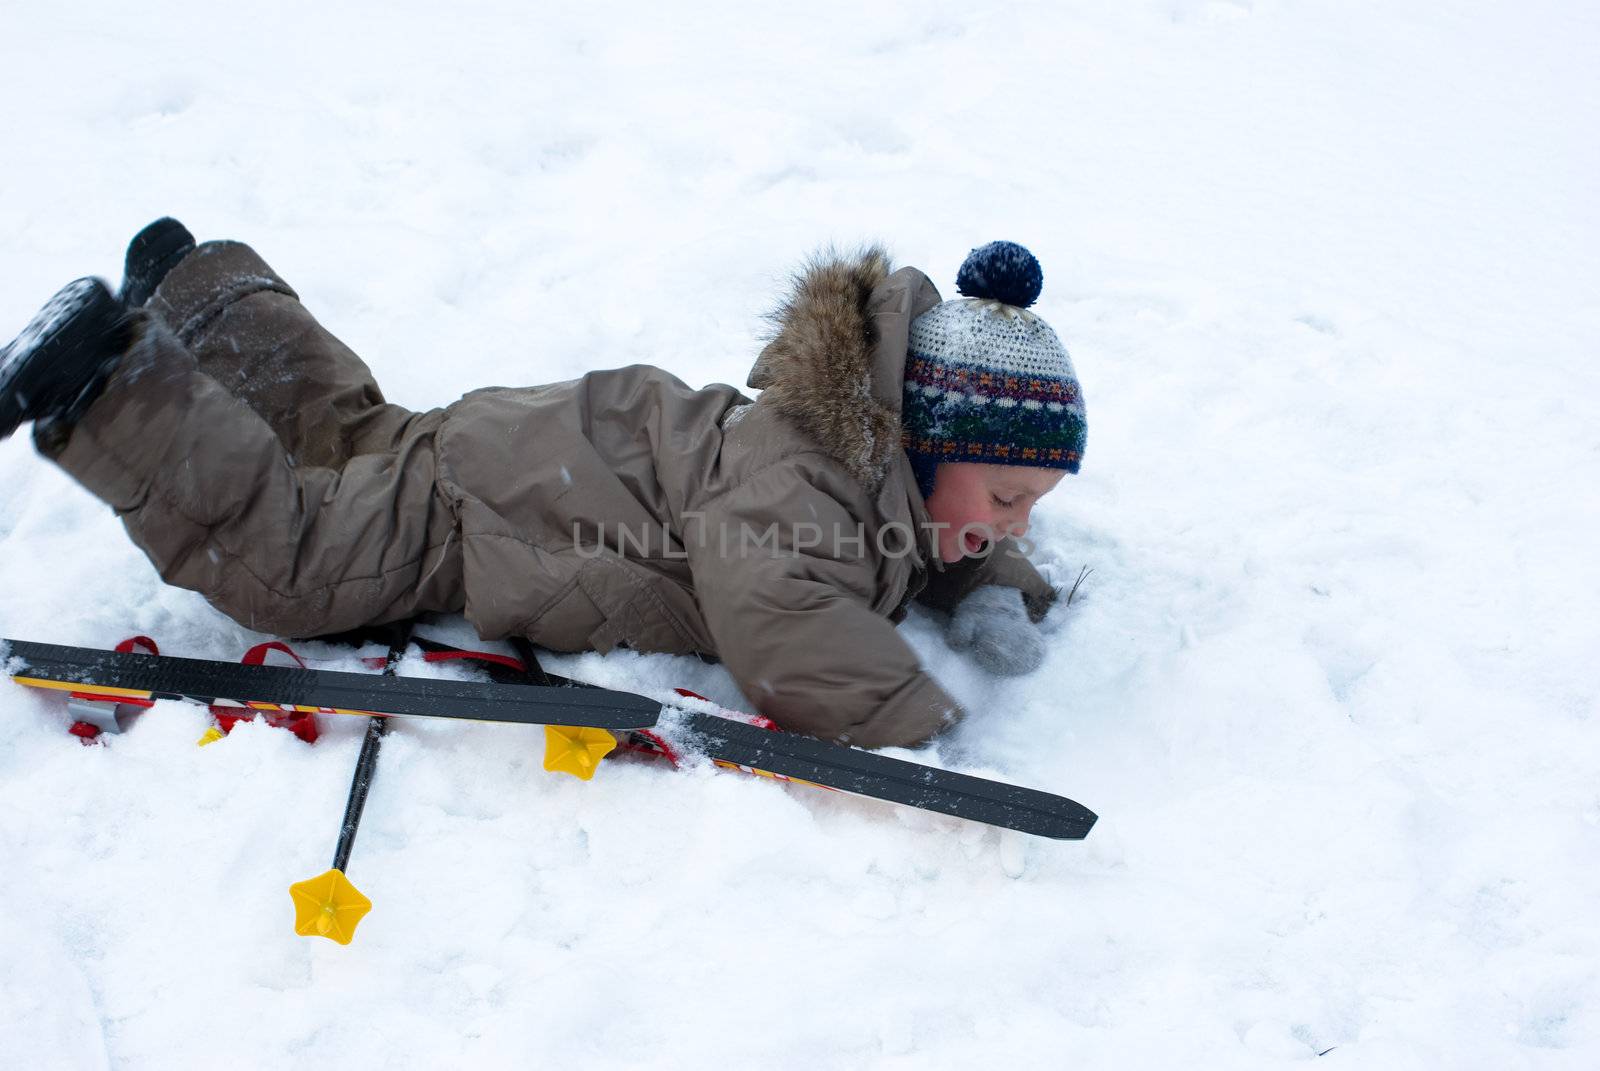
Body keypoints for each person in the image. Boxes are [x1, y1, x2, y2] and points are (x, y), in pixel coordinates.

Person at [0, 222, 1087, 748]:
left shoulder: (874, 468)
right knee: (287, 564)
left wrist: (994, 584)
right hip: (489, 508)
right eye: (1004, 501)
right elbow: (783, 622)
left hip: (529, 454)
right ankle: (106, 380)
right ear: (922, 447)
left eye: (1027, 505)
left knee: (350, 441)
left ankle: (204, 297)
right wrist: (910, 722)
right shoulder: (801, 493)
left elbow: (931, 535)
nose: (1012, 525)